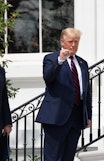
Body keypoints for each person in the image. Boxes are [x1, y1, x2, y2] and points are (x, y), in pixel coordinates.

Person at [36, 28, 92, 161]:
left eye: (76, 42)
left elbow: (86, 91)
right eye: (70, 41)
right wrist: (60, 60)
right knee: (53, 157)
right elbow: (48, 78)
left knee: (69, 156)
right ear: (62, 42)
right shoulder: (51, 58)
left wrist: (88, 115)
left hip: (76, 117)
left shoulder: (82, 63)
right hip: (56, 116)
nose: (73, 45)